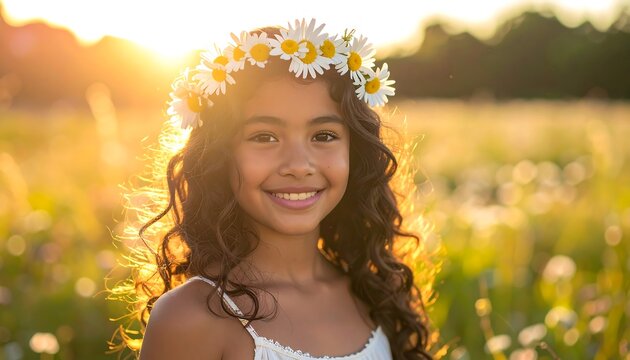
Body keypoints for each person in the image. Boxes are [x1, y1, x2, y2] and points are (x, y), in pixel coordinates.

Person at [110, 18, 437, 360]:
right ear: (221, 156)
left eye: (323, 136)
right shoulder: (192, 318)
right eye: (264, 137)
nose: (298, 165)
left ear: (354, 151)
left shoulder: (373, 292)